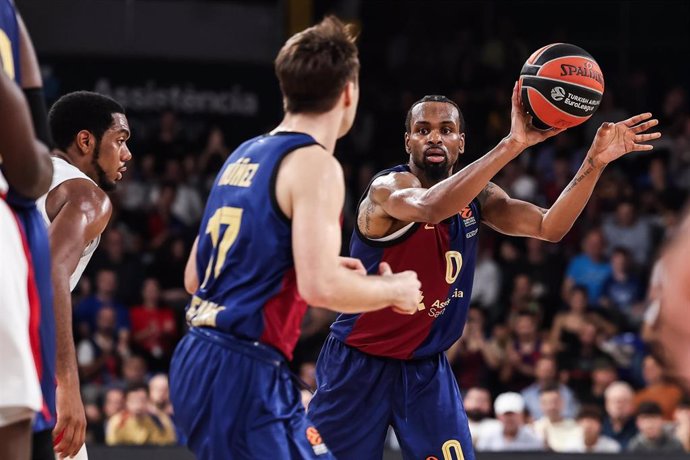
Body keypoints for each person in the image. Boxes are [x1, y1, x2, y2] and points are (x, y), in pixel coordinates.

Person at [308, 84, 660, 459]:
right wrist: (512, 143)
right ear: (407, 140)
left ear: (461, 142)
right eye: (423, 130)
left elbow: (549, 227)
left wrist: (594, 163)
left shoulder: (480, 197)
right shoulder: (387, 188)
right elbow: (430, 207)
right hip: (359, 363)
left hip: (425, 369)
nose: (434, 137)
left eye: (446, 130)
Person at [169, 16, 421, 460]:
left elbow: (196, 276)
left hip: (197, 355)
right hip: (242, 367)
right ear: (349, 92)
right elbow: (320, 288)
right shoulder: (316, 164)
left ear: (286, 90)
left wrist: (295, 264)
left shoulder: (242, 153)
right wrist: (393, 288)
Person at [36, 90, 133, 459]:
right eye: (120, 141)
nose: (126, 154)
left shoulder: (23, 174)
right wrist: (68, 385)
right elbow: (49, 274)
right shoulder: (87, 196)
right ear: (85, 140)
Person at [0, 2, 55, 459]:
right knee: (15, 416)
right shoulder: (86, 201)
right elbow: (32, 171)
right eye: (120, 140)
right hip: (11, 218)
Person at [475, 392, 543, 452]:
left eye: (513, 414)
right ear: (498, 416)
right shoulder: (487, 435)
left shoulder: (533, 438)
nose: (510, 418)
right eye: (506, 414)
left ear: (522, 415)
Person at [531, 384, 580, 452]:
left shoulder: (576, 427)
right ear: (541, 405)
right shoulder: (534, 429)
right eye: (547, 403)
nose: (552, 407)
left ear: (563, 403)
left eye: (555, 402)